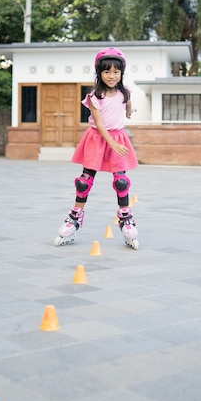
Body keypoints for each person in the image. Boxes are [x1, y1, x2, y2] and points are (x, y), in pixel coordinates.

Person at [54, 47, 139, 249]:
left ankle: (125, 218)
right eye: (107, 71)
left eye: (116, 72)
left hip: (117, 136)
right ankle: (75, 218)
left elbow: (126, 105)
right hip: (98, 138)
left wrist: (129, 111)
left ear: (121, 73)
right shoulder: (94, 96)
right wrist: (113, 145)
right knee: (84, 181)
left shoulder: (124, 93)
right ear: (99, 73)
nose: (112, 76)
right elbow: (100, 125)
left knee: (121, 181)